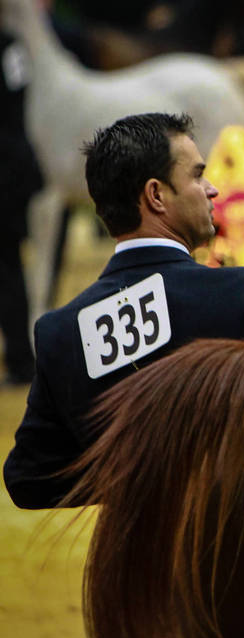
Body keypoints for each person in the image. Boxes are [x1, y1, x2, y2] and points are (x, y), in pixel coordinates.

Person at [4, 113, 244, 509]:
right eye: (198, 176)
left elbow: (29, 478)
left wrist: (138, 481)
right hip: (238, 562)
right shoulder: (237, 295)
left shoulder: (61, 332)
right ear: (156, 196)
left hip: (129, 567)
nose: (213, 189)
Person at [0, 31, 42, 388]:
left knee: (9, 269)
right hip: (12, 167)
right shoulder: (11, 45)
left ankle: (20, 359)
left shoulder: (10, 45)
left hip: (8, 174)